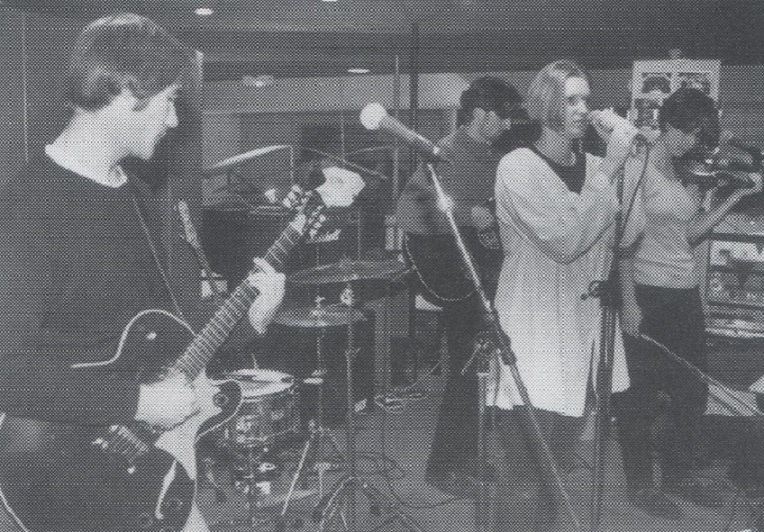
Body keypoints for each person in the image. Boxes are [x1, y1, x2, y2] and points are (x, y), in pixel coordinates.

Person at [0, 13, 285, 532]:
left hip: (140, 459)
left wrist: (250, 320)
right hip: (62, 470)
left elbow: (158, 325)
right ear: (127, 93)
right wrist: (140, 400)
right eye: (169, 100)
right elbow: (8, 371)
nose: (173, 120)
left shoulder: (132, 192)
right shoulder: (26, 207)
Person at [487, 59, 637, 531]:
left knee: (556, 468)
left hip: (581, 333)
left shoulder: (595, 167)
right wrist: (609, 170)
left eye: (586, 99)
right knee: (526, 469)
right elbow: (566, 241)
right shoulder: (517, 167)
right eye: (571, 99)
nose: (582, 109)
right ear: (546, 104)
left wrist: (628, 165)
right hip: (534, 331)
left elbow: (630, 233)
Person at [615, 87, 762, 520]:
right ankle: (641, 484)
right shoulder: (638, 167)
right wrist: (629, 303)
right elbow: (623, 242)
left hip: (683, 293)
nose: (690, 143)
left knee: (691, 392)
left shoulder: (683, 173)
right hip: (646, 291)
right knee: (640, 396)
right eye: (686, 132)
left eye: (697, 136)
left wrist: (733, 198)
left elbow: (690, 234)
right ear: (668, 125)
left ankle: (677, 475)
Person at [395, 76, 525, 495]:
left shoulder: (494, 157)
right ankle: (444, 467)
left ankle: (468, 456)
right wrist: (469, 216)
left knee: (482, 371)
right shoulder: (446, 153)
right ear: (481, 114)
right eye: (503, 117)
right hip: (455, 273)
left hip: (483, 273)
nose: (508, 125)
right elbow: (408, 214)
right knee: (467, 371)